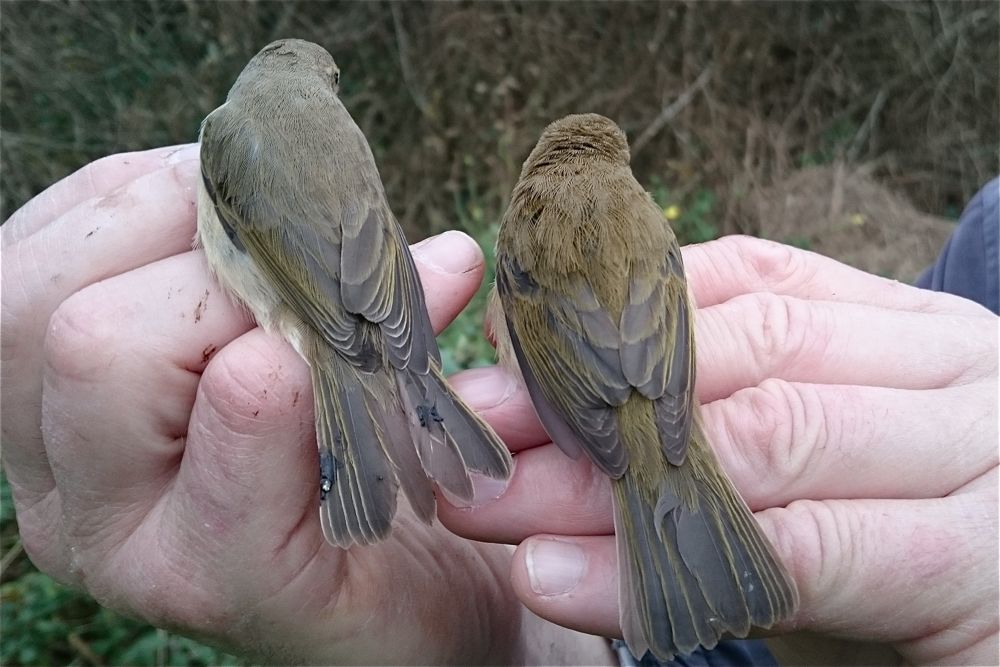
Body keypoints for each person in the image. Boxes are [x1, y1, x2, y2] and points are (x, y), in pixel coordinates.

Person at [1, 145, 996, 666]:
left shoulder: (544, 216)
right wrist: (514, 638)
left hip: (626, 406)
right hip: (657, 417)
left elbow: (556, 332)